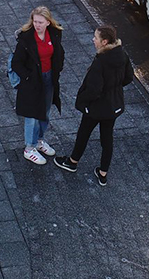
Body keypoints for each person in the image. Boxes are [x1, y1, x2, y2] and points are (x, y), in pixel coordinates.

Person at [54, 24, 133, 186]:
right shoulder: (122, 55)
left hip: (97, 107)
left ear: (104, 42)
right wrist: (114, 88)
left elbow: (94, 89)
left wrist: (82, 101)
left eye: (96, 38)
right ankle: (103, 173)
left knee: (84, 132)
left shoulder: (101, 62)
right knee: (107, 137)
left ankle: (72, 162)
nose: (93, 40)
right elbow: (128, 78)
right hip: (113, 106)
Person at [11, 6, 64, 165]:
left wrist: (58, 68)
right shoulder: (26, 39)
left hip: (48, 78)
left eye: (40, 22)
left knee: (45, 112)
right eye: (35, 21)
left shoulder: (54, 34)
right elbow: (16, 63)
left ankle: (39, 140)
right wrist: (28, 77)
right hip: (32, 81)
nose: (37, 25)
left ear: (48, 22)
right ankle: (30, 147)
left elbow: (59, 53)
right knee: (32, 115)